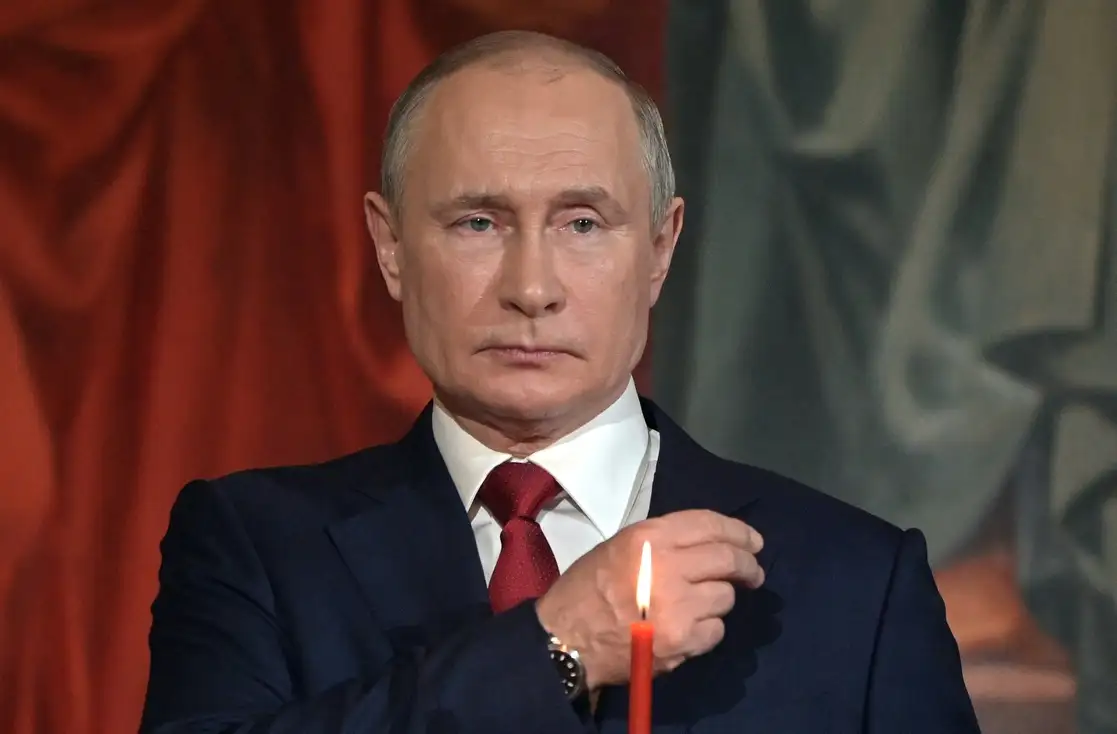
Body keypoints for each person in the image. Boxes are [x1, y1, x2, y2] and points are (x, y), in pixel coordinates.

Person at [139, 30, 980, 734]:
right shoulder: (253, 547)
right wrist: (559, 644)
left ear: (659, 247)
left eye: (582, 223)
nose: (531, 286)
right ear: (390, 246)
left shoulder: (855, 582)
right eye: (478, 222)